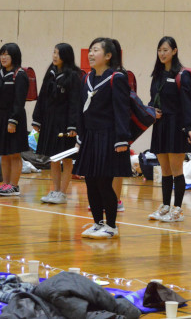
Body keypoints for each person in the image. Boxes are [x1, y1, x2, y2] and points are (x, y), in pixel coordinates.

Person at [77, 38, 132, 239]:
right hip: (90, 136)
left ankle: (111, 225)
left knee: (104, 183)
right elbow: (80, 110)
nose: (91, 54)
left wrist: (122, 139)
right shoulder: (87, 78)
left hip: (109, 137)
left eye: (96, 50)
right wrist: (81, 136)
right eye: (90, 50)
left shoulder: (117, 78)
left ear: (108, 56)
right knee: (90, 182)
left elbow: (122, 110)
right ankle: (97, 223)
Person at [147, 36, 191, 222]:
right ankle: (165, 206)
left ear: (174, 51)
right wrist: (151, 111)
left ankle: (178, 210)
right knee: (165, 170)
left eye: (165, 50)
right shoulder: (157, 75)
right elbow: (153, 99)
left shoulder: (182, 75)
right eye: (159, 50)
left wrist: (190, 127)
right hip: (160, 126)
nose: (162, 53)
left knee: (177, 170)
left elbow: (188, 104)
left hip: (176, 125)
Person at [32, 43, 81, 204]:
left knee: (66, 159)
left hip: (65, 123)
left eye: (58, 53)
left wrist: (73, 125)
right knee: (53, 157)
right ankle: (55, 190)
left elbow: (75, 102)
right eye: (53, 52)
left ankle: (63, 193)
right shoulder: (51, 72)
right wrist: (37, 119)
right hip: (50, 121)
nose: (54, 56)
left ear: (65, 56)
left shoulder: (73, 75)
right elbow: (42, 97)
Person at [0, 43, 29, 196]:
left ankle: (14, 186)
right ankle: (5, 183)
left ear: (14, 56)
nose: (3, 57)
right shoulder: (0, 74)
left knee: (14, 153)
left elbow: (19, 101)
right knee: (3, 153)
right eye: (1, 54)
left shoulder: (20, 75)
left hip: (13, 118)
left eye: (7, 54)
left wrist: (13, 120)